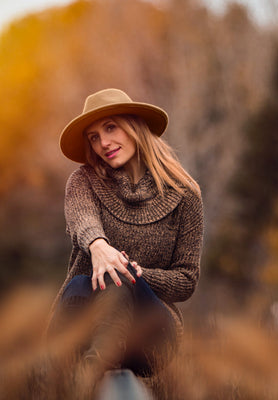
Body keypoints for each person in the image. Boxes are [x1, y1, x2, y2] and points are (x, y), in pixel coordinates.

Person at [48, 88, 203, 379]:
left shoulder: (186, 195)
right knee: (85, 283)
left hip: (150, 336)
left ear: (135, 127)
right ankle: (84, 367)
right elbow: (82, 217)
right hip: (81, 319)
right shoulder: (84, 181)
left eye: (110, 127)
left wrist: (136, 273)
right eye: (94, 137)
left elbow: (186, 281)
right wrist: (98, 246)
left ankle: (92, 371)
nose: (103, 143)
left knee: (118, 275)